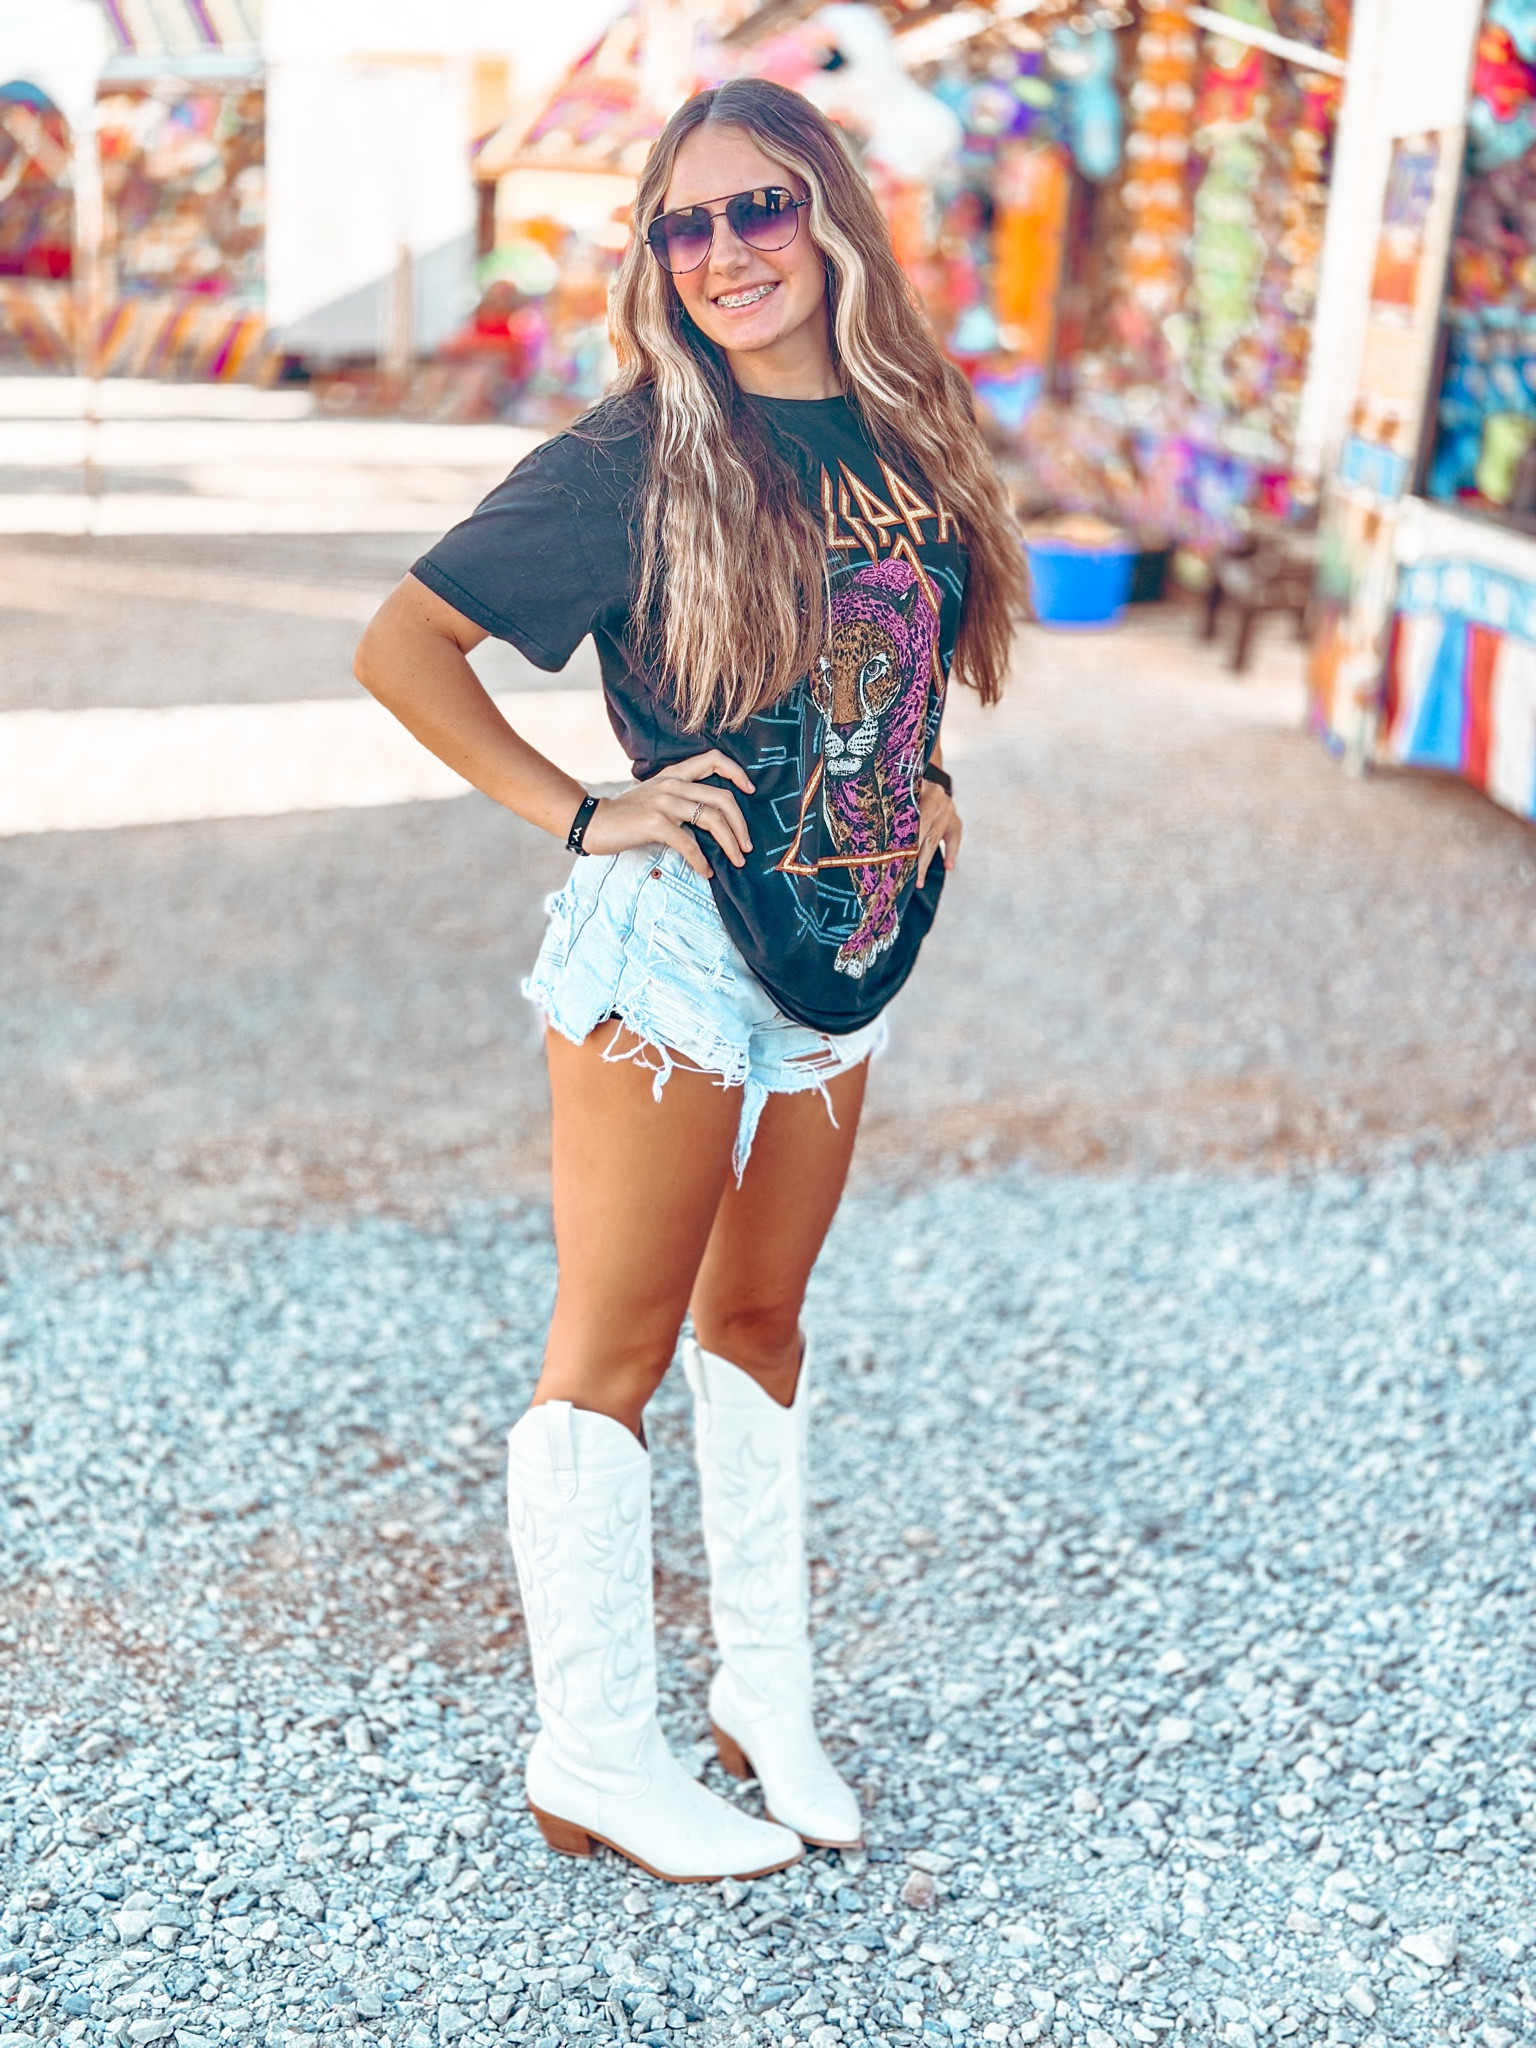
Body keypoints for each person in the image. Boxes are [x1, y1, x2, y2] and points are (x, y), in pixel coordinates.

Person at [354, 76, 1028, 1884]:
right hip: (671, 954)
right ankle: (591, 1754)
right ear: (658, 254)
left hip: (848, 951)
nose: (727, 251)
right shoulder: (635, 454)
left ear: (830, 219)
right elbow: (401, 644)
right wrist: (580, 812)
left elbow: (899, 650)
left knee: (763, 1326)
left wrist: (921, 781)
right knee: (611, 1355)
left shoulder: (909, 426)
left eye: (762, 209)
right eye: (688, 223)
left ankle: (765, 1696)